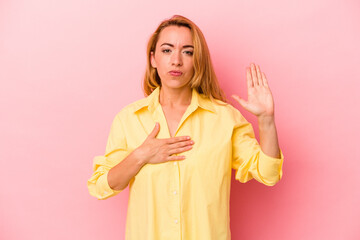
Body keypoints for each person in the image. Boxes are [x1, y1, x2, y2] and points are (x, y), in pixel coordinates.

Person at [87, 15, 284, 240]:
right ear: (153, 59)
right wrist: (141, 155)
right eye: (167, 50)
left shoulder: (225, 119)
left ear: (197, 60)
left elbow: (268, 174)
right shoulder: (129, 119)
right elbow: (100, 186)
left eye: (188, 52)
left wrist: (267, 121)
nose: (176, 61)